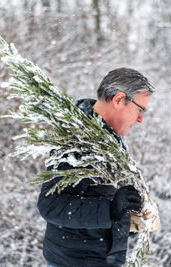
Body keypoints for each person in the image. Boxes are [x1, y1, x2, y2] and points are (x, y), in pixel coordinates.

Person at [37, 68, 155, 267]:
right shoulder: (77, 139)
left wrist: (128, 217)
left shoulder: (108, 136)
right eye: (139, 110)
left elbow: (100, 198)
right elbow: (51, 204)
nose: (141, 119)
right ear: (118, 100)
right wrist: (110, 210)